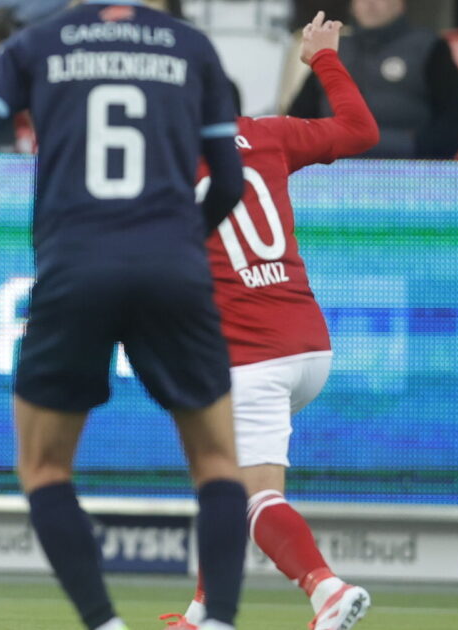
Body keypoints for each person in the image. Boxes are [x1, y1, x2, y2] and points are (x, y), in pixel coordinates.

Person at [0, 1, 249, 629]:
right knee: (217, 463)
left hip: (75, 272)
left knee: (44, 468)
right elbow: (229, 183)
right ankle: (222, 622)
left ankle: (105, 622)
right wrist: (176, 245)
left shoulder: (38, 44)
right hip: (173, 270)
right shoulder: (193, 47)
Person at [161, 12, 378, 630]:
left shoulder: (167, 166)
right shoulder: (271, 134)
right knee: (221, 478)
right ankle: (206, 610)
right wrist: (324, 60)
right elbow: (362, 131)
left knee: (254, 496)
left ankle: (326, 589)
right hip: (310, 345)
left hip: (251, 358)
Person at [288, 0, 458, 158]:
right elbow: (298, 117)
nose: (370, 3)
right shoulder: (331, 49)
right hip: (331, 169)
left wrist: (420, 152)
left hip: (410, 172)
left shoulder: (428, 47)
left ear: (400, 4)